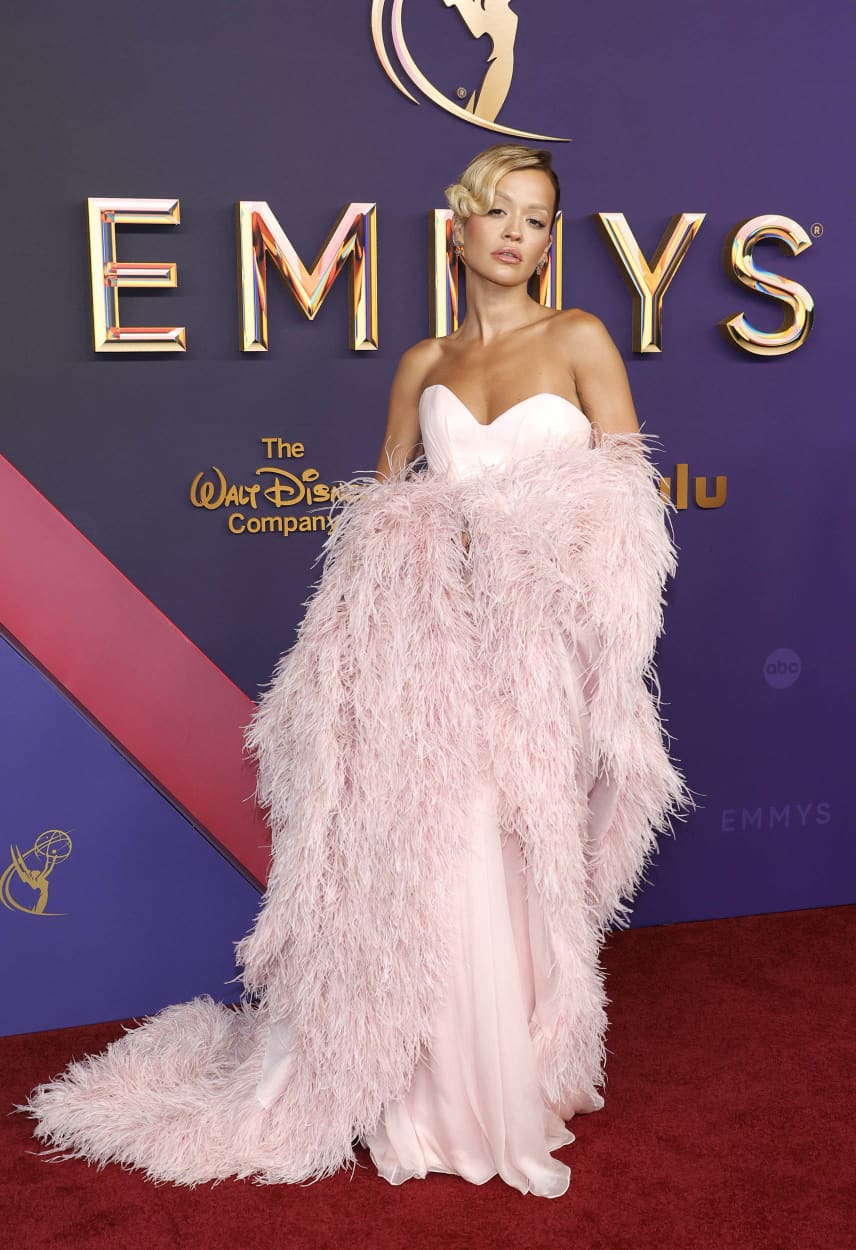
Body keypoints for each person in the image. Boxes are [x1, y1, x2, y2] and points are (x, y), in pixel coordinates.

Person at [21, 144, 695, 1198]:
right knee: (434, 854)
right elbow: (380, 511)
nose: (518, 233)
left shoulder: (580, 337)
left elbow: (626, 506)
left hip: (530, 657)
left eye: (538, 218)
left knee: (515, 853)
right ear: (460, 228)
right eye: (499, 213)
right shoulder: (423, 361)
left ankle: (511, 1070)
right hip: (425, 662)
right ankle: (420, 1086)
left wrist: (520, 552)